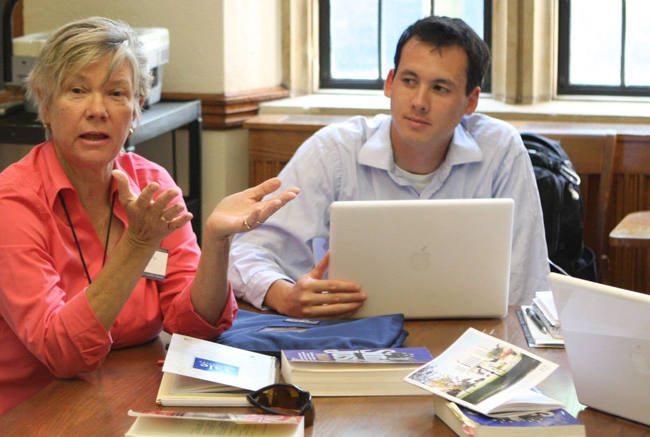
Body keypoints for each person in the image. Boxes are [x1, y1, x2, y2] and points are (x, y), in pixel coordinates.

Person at [0, 17, 296, 437]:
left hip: (98, 415)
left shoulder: (151, 183)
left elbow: (191, 325)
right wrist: (137, 246)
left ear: (136, 109)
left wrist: (216, 242)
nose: (97, 109)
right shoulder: (8, 205)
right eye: (77, 91)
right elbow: (62, 353)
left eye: (116, 93)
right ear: (44, 102)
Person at [229, 16, 549, 318]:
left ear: (470, 102)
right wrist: (284, 296)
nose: (419, 101)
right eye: (409, 81)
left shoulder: (500, 151)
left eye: (440, 88)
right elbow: (245, 254)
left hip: (469, 338)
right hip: (348, 331)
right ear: (390, 83)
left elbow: (525, 283)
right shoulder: (334, 150)